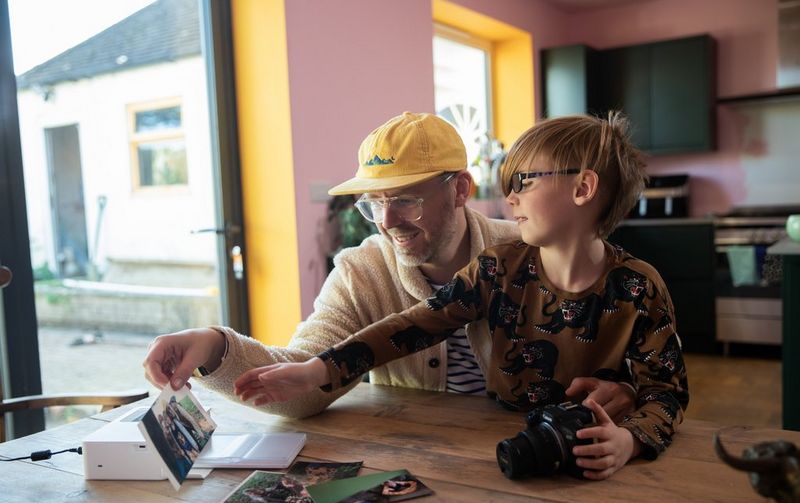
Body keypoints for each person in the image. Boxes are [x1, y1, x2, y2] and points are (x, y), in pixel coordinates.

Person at [233, 112, 689, 480]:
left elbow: (665, 393)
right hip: (490, 449)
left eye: (525, 182)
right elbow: (415, 325)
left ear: (583, 188)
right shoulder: (497, 267)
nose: (510, 198)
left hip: (584, 461)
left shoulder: (639, 287)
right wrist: (317, 369)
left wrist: (629, 441)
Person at [143, 112, 635, 420]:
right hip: (423, 470)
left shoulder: (527, 252)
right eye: (373, 203)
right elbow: (301, 387)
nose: (386, 221)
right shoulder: (361, 273)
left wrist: (626, 390)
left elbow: (623, 348)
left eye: (404, 200)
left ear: (460, 189)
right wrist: (214, 348)